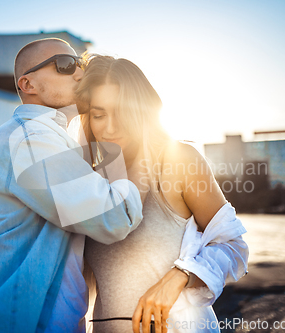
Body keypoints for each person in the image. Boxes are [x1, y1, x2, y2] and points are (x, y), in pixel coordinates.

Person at [0, 38, 149, 333]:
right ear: (28, 83)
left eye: (80, 64)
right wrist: (137, 162)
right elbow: (115, 217)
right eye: (64, 64)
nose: (78, 73)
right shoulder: (31, 140)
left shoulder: (48, 138)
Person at [75, 55, 249, 333]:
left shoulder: (178, 160)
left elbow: (234, 248)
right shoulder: (90, 182)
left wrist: (181, 274)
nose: (110, 127)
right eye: (99, 114)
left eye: (122, 112)